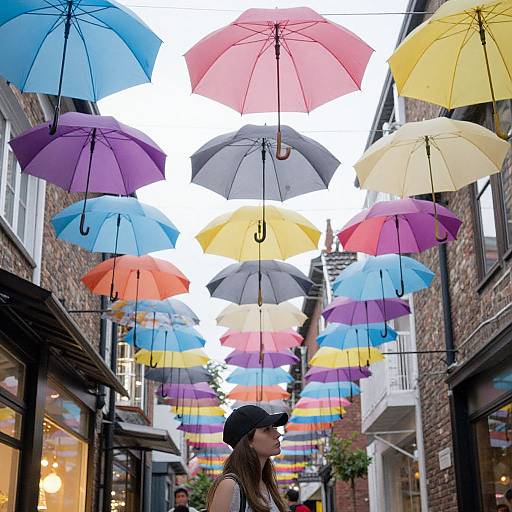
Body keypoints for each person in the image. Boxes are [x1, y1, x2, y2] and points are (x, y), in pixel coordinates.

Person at [207, 405, 289, 512]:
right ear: (248, 441)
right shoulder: (230, 486)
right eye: (266, 429)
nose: (277, 434)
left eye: (273, 427)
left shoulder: (267, 485)